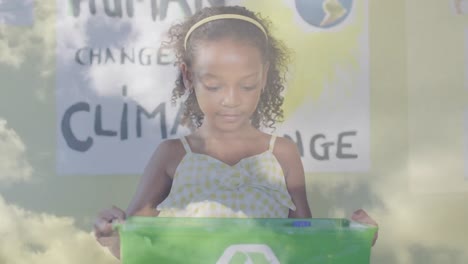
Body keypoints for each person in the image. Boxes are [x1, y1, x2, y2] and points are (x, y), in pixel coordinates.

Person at [93, 5, 378, 259]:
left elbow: (306, 246)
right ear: (189, 75)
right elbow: (136, 249)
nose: (231, 99)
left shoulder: (282, 154)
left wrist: (358, 237)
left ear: (264, 76)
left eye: (247, 85)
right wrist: (112, 236)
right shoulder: (173, 155)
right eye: (214, 85)